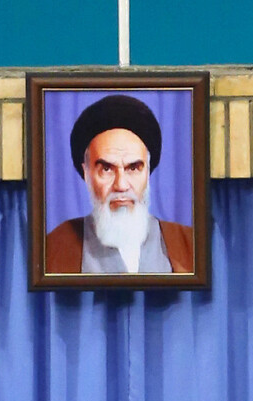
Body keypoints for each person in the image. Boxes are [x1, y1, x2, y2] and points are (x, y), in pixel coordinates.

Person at [45, 92, 194, 277]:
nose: (121, 185)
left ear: (148, 172)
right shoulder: (54, 248)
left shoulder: (189, 245)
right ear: (86, 173)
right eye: (107, 169)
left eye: (133, 168)